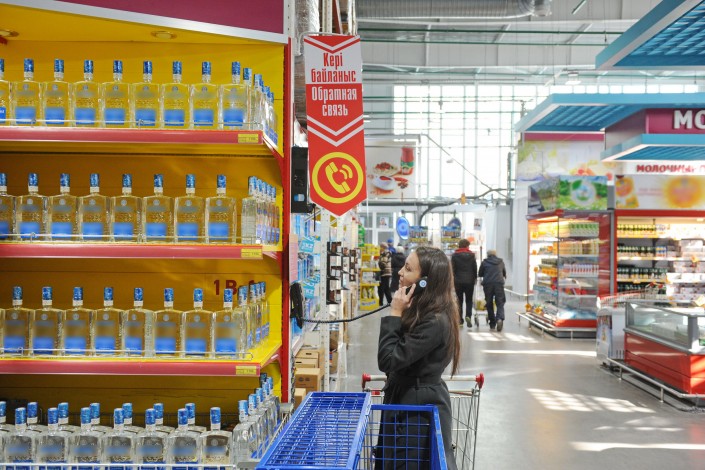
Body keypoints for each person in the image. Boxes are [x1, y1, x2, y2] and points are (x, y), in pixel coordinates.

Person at [376, 246, 460, 469]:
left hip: (417, 409)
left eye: (408, 268)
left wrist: (395, 313)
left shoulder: (434, 321)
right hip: (406, 399)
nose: (400, 272)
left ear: (425, 281)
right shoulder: (422, 309)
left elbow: (387, 360)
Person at [478, 249, 507, 331]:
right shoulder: (500, 262)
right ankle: (499, 319)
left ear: (488, 255)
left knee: (489, 303)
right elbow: (504, 273)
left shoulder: (484, 262)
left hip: (488, 284)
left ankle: (492, 323)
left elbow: (480, 273)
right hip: (499, 284)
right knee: (500, 302)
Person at [451, 239, 478, 326]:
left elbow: (452, 269)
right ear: (467, 246)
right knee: (469, 300)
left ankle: (460, 320)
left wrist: (453, 278)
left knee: (459, 300)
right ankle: (468, 316)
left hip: (458, 281)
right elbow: (474, 268)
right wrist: (475, 278)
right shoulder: (472, 255)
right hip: (470, 281)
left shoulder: (455, 255)